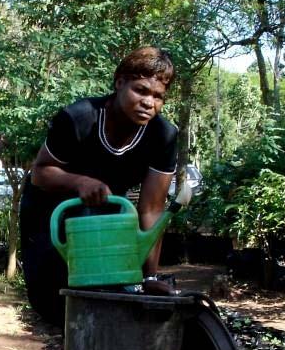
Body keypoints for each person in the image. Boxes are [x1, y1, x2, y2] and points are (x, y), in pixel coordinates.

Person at [19, 46, 178, 326]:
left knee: (105, 294)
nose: (148, 103)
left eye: (158, 97)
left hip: (102, 216)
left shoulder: (163, 136)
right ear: (119, 83)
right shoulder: (79, 118)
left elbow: (151, 209)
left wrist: (149, 277)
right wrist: (79, 181)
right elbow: (40, 173)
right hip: (50, 214)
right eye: (140, 90)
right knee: (53, 300)